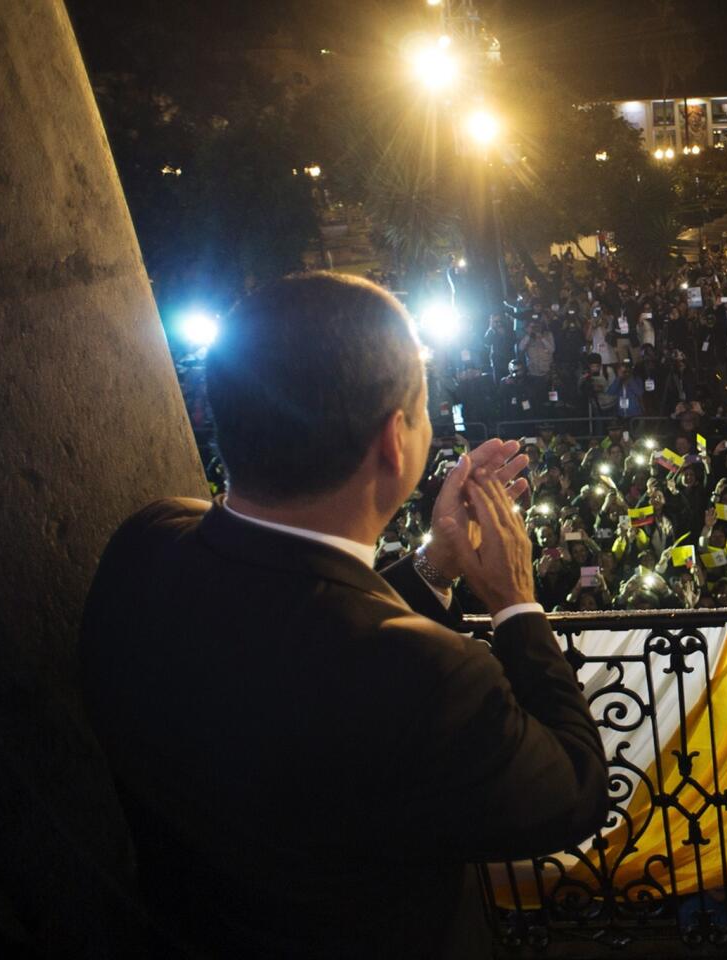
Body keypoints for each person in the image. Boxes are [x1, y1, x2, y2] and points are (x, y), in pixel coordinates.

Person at [81, 273, 608, 958]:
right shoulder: (434, 680)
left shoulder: (147, 545)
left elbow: (304, 623)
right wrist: (515, 603)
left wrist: (434, 568)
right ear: (395, 442)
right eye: (423, 407)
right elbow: (573, 790)